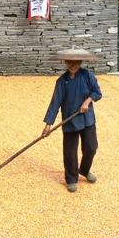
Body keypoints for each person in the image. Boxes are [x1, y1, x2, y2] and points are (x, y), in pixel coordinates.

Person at [41, 49, 102, 193]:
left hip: (87, 119)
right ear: (65, 62)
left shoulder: (87, 76)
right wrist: (48, 125)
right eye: (69, 62)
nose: (73, 65)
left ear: (80, 62)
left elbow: (97, 93)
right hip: (70, 121)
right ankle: (71, 179)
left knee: (91, 147)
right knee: (70, 153)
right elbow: (55, 103)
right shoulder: (61, 81)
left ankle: (84, 170)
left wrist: (87, 101)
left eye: (76, 62)